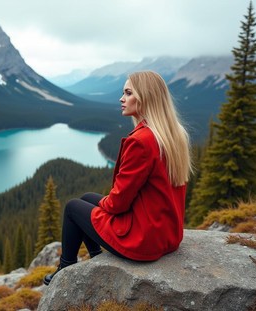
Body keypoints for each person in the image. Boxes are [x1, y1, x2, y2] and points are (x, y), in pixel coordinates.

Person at [44, 70, 192, 286]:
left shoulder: (142, 141)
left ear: (145, 97)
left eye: (128, 93)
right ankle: (96, 257)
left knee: (73, 208)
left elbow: (118, 203)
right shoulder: (173, 133)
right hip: (167, 235)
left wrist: (105, 204)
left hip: (143, 241)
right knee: (87, 197)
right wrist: (104, 204)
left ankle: (65, 267)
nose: (122, 99)